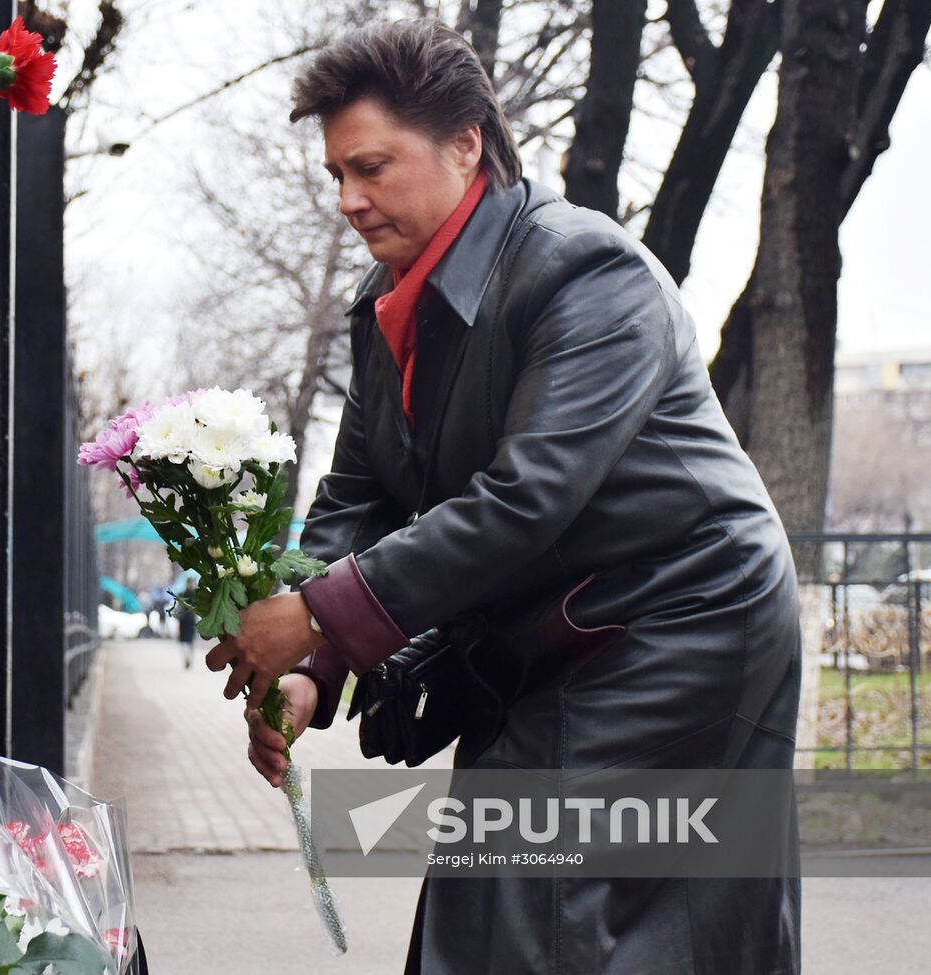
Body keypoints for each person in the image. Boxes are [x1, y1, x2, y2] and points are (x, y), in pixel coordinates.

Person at [203, 19, 802, 975]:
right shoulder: (388, 303)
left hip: (681, 617)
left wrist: (313, 610)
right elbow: (355, 498)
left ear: (467, 143)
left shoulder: (585, 270)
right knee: (509, 891)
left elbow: (527, 499)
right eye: (336, 178)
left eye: (372, 167)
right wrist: (310, 663)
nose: (350, 201)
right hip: (557, 627)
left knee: (527, 899)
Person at [177, 579, 198, 668]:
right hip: (185, 620)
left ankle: (189, 658)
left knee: (190, 641)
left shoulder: (196, 595)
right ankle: (187, 658)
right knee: (185, 641)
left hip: (190, 620)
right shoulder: (183, 594)